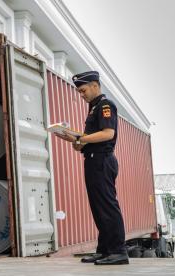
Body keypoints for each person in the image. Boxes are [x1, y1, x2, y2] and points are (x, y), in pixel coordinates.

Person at [55, 71, 129, 265]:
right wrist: (73, 139)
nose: (82, 95)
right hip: (93, 160)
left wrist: (80, 138)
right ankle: (104, 250)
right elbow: (87, 139)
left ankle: (118, 251)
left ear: (95, 85)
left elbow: (107, 134)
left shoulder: (105, 105)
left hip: (103, 161)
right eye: (79, 92)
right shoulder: (93, 108)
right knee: (98, 208)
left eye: (83, 90)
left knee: (107, 207)